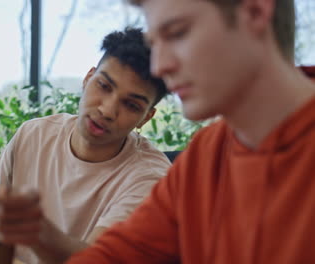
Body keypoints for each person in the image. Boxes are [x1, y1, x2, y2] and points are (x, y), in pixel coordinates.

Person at [67, 0, 315, 263]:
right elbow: (116, 256)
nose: (159, 67)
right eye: (155, 44)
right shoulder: (205, 155)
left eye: (177, 33)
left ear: (255, 13)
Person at [0, 27, 171, 264]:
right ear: (87, 79)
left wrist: (37, 230)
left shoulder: (151, 178)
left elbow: (98, 260)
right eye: (103, 86)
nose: (107, 110)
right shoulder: (34, 135)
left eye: (131, 105)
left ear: (146, 117)